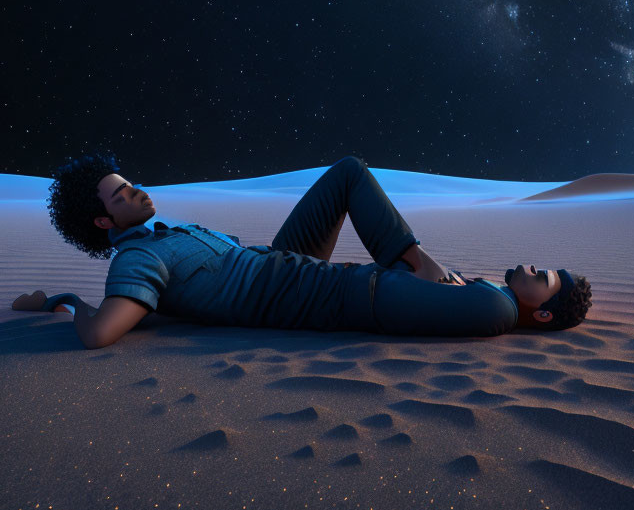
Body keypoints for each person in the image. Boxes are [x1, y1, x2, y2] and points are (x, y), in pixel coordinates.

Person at [12, 152, 592, 348]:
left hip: (285, 265)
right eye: (122, 194)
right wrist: (64, 304)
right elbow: (101, 332)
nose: (137, 190)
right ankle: (416, 260)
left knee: (347, 173)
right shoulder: (135, 260)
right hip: (322, 294)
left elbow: (154, 304)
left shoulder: (154, 241)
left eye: (129, 181)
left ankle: (416, 263)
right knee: (483, 302)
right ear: (101, 219)